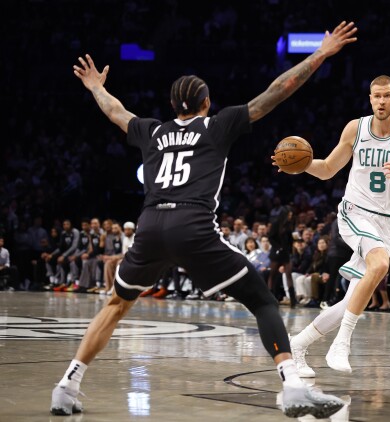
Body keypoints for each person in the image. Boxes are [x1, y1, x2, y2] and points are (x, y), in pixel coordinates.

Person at [51, 20, 357, 418]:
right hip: (192, 227)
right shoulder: (216, 126)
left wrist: (95, 86)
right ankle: (293, 386)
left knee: (115, 304)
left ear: (172, 106)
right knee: (262, 300)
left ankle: (66, 386)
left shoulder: (152, 132)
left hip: (149, 227)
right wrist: (320, 53)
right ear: (206, 103)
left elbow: (115, 111)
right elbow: (275, 92)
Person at [280, 74, 390, 375]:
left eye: (387, 95)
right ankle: (342, 344)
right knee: (380, 264)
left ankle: (297, 345)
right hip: (355, 212)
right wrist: (301, 165)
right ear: (370, 99)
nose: (381, 101)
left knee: (350, 302)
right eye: (376, 96)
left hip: (388, 223)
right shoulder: (356, 128)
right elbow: (327, 169)